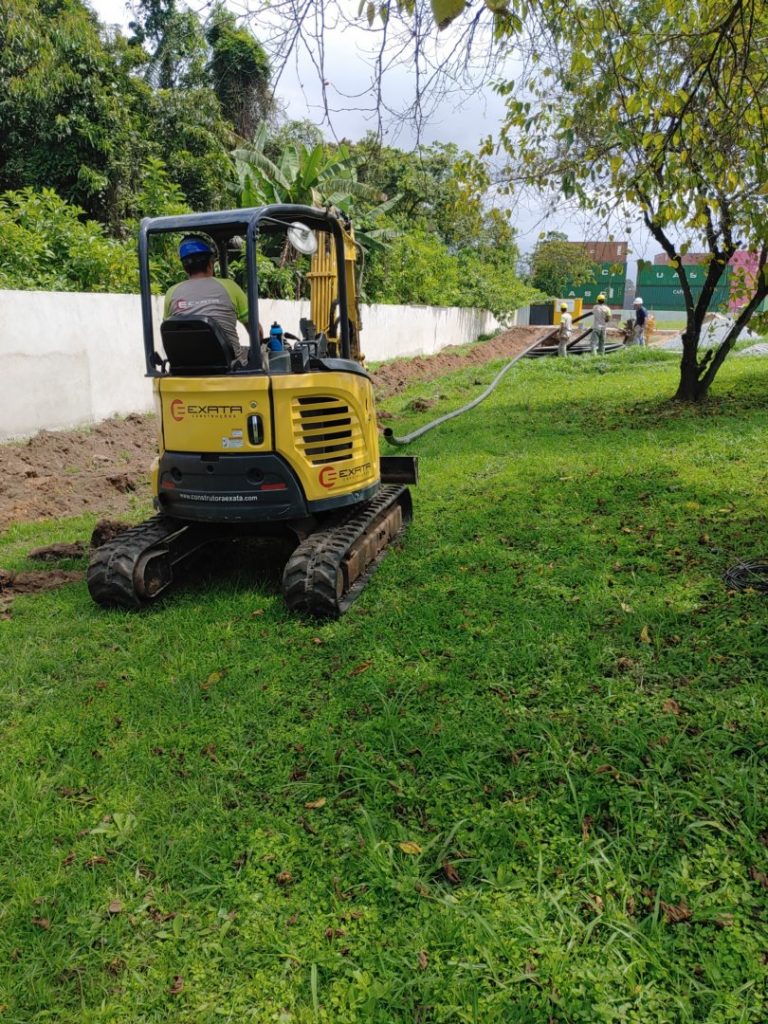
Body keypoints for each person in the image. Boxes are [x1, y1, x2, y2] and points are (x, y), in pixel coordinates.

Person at [164, 237, 251, 365]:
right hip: (229, 367)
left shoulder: (171, 293)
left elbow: (170, 333)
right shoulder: (230, 287)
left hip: (185, 368)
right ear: (210, 264)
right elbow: (254, 329)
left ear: (185, 268)